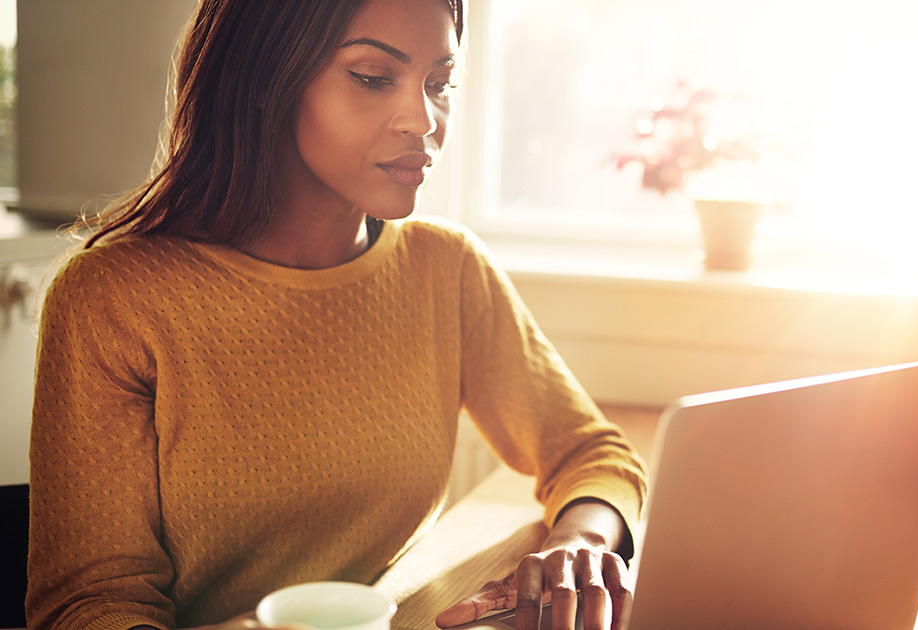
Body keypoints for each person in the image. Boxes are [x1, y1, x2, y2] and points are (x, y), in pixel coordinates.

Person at [25, 1, 647, 629]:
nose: (424, 119)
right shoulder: (112, 299)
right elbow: (87, 605)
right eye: (374, 77)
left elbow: (593, 455)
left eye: (440, 83)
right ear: (268, 79)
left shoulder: (446, 268)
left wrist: (582, 545)